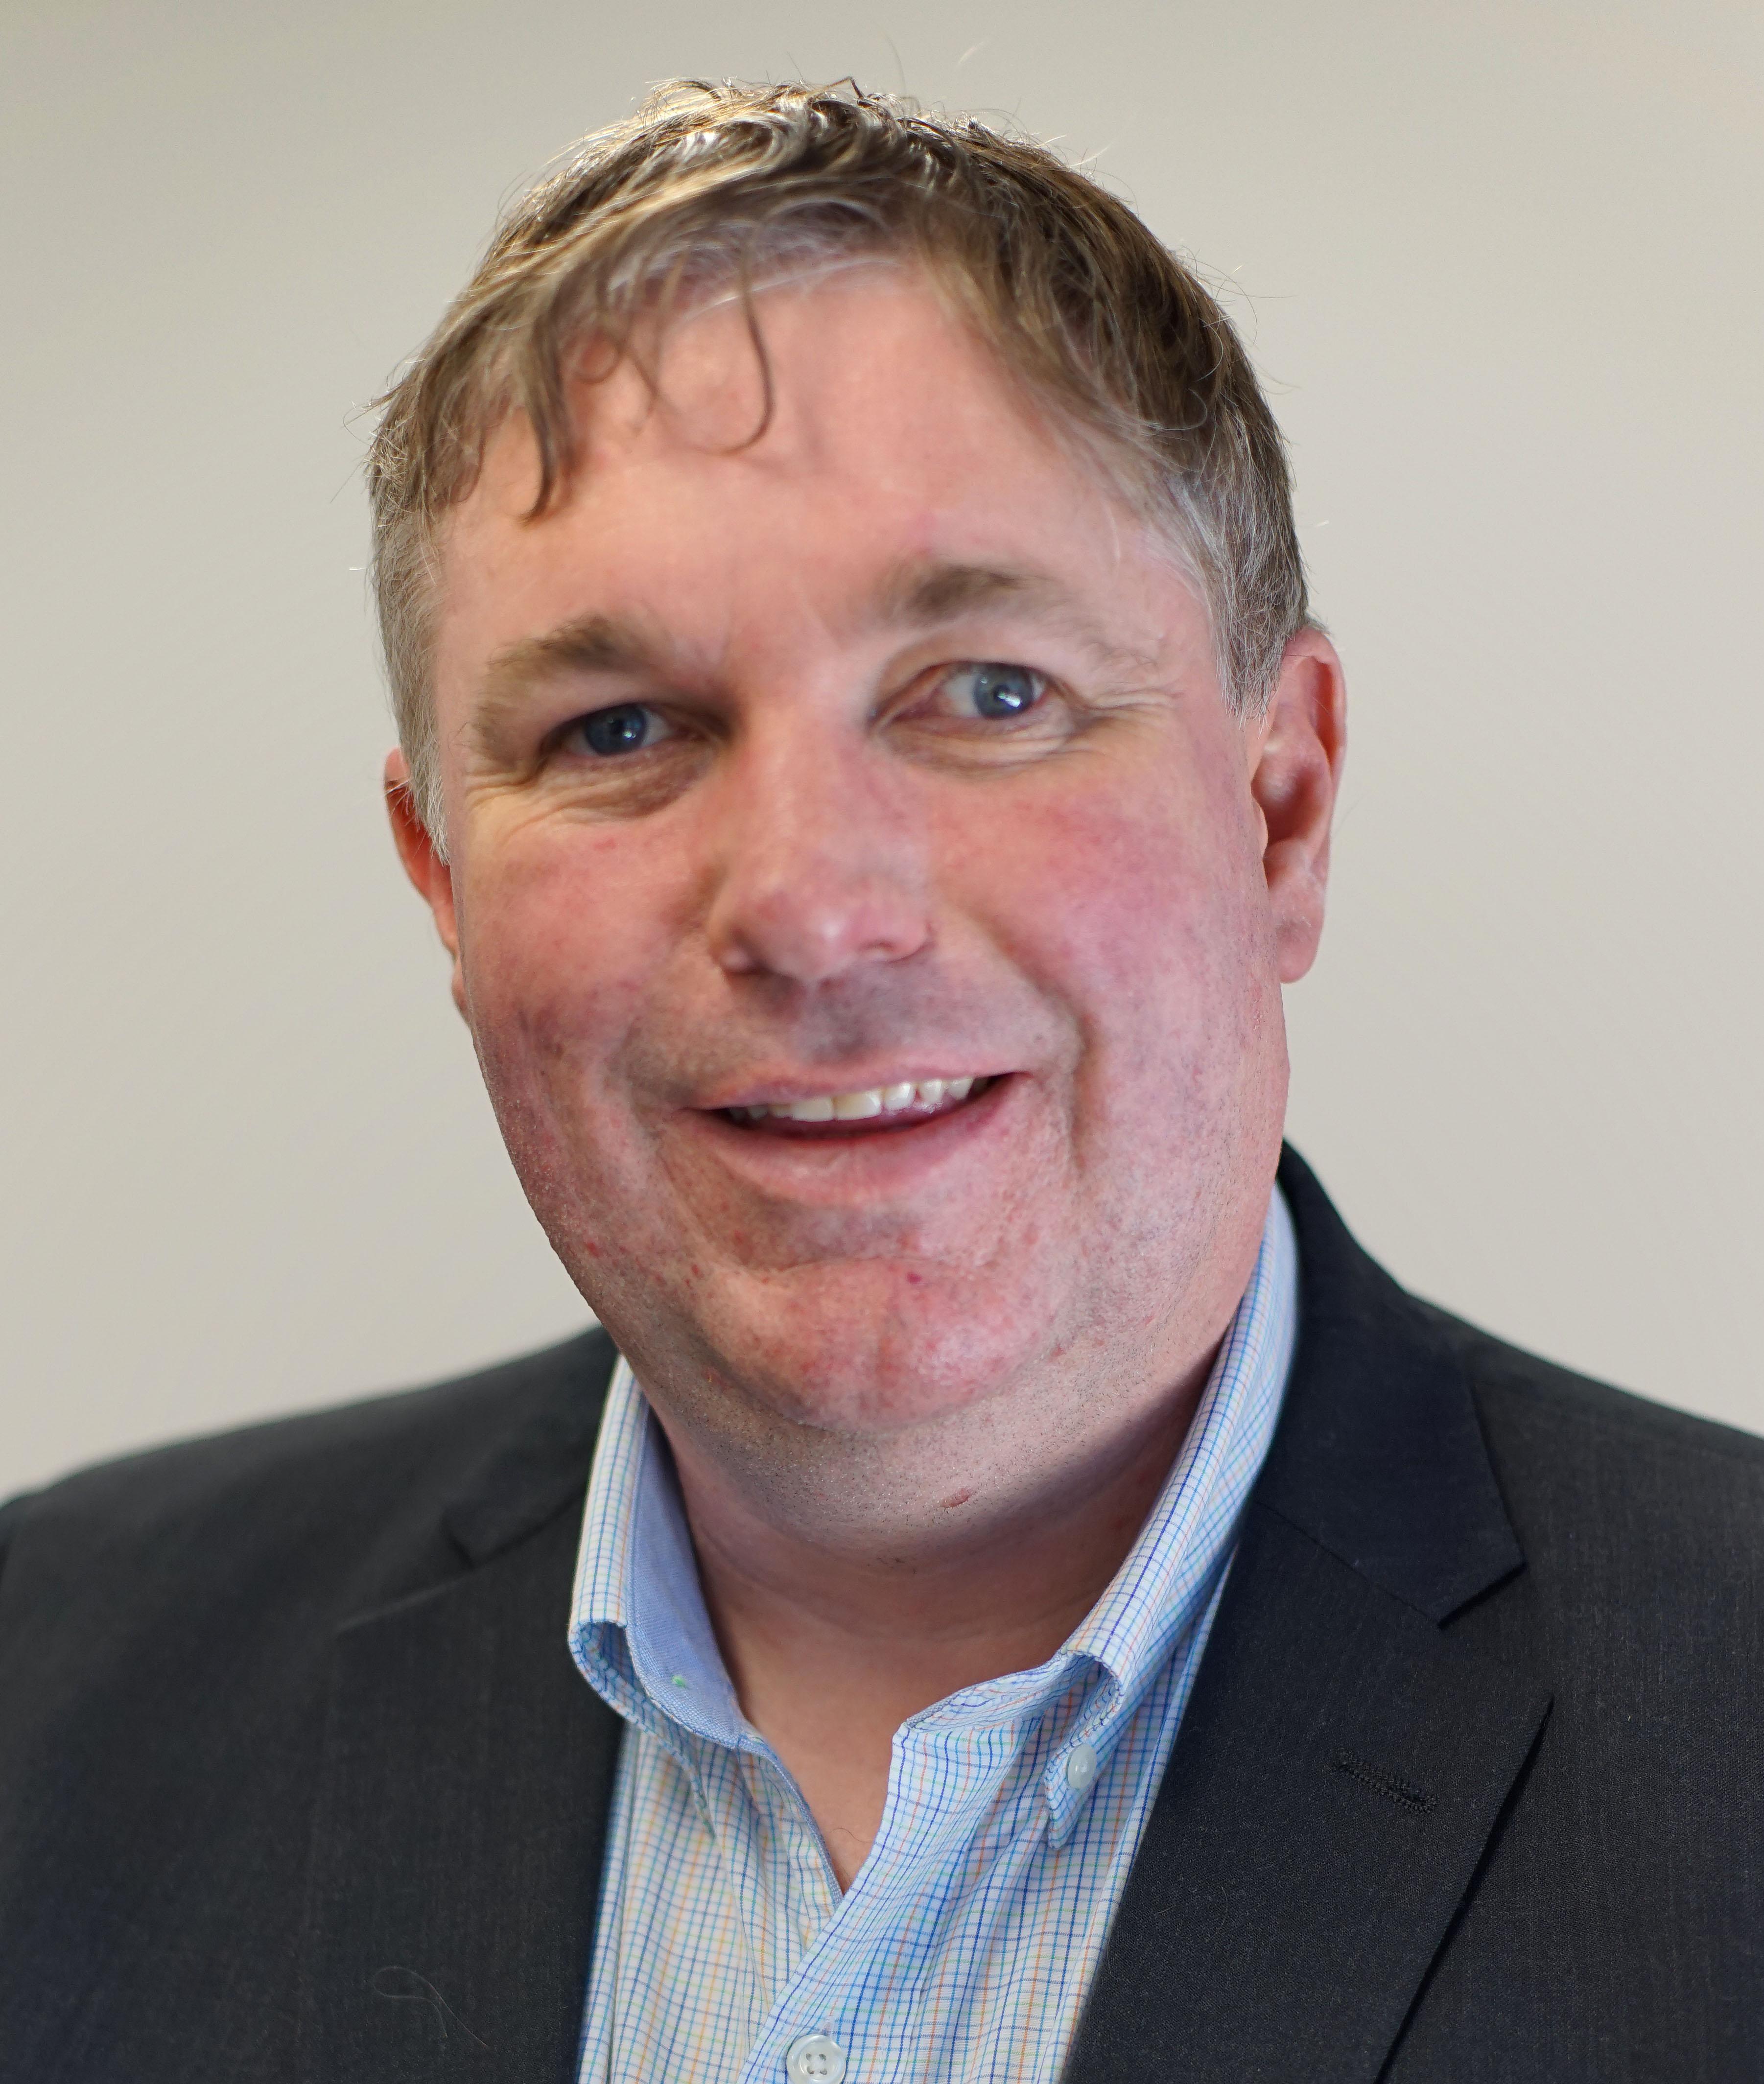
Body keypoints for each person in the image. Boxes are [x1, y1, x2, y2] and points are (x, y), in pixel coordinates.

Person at [0, 78, 1757, 2084]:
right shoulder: (50, 1691)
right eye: (620, 728)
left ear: (1278, 807)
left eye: (987, 695)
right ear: (444, 885)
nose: (814, 913)